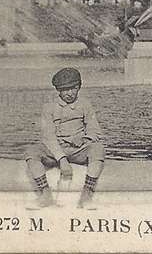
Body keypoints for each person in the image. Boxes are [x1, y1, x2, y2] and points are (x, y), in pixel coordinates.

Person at [24, 67, 105, 208]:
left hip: (78, 149)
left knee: (98, 149)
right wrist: (62, 160)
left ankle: (86, 196)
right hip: (56, 151)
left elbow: (94, 129)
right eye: (64, 90)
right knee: (31, 151)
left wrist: (86, 139)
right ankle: (45, 194)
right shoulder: (49, 107)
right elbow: (48, 136)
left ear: (79, 87)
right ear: (58, 91)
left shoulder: (85, 105)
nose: (69, 93)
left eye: (73, 88)